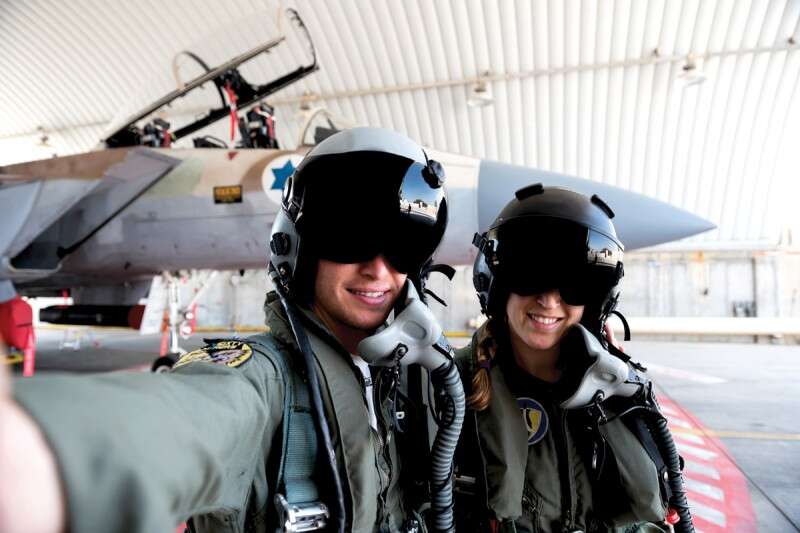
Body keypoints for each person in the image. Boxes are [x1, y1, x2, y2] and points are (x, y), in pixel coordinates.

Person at [0, 127, 451, 533]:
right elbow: (186, 421)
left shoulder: (411, 375)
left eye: (402, 246)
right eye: (350, 238)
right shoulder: (261, 380)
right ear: (298, 249)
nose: (378, 270)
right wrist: (40, 458)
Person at [452, 184, 693, 533]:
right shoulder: (451, 386)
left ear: (594, 302)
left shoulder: (623, 395)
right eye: (530, 275)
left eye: (574, 283)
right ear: (498, 285)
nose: (549, 300)